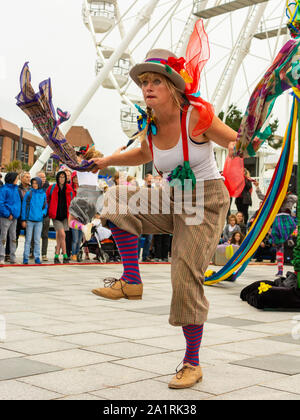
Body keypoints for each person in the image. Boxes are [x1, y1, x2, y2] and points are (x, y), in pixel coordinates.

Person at [89, 28, 237, 390]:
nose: (147, 88)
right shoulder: (150, 124)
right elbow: (143, 154)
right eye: (144, 82)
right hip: (174, 196)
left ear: (173, 86)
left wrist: (239, 153)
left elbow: (234, 139)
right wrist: (106, 159)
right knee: (113, 200)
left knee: (183, 272)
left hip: (205, 198)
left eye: (156, 81)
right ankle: (131, 281)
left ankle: (191, 362)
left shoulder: (196, 117)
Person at [46, 171, 74, 264]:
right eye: (60, 177)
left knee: (60, 236)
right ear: (57, 178)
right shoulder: (52, 187)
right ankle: (65, 255)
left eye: (63, 177)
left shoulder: (69, 188)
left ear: (66, 178)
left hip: (66, 216)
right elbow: (47, 199)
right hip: (56, 215)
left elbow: (73, 201)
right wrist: (49, 209)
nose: (62, 179)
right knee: (62, 234)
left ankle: (57, 255)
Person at [21, 177, 48, 264]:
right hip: (29, 220)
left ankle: (37, 257)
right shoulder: (29, 193)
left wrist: (42, 213)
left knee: (37, 240)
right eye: (33, 183)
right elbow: (24, 207)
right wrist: (23, 219)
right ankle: (25, 257)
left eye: (36, 183)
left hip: (39, 221)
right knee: (28, 240)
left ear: (39, 184)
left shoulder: (43, 194)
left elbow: (45, 207)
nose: (34, 185)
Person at [0, 172, 21, 264]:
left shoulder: (16, 189)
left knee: (13, 237)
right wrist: (8, 214)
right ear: (12, 179)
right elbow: (1, 203)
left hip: (14, 218)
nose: (18, 180)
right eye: (17, 178)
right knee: (3, 237)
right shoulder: (4, 189)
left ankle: (13, 257)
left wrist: (17, 214)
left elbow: (18, 203)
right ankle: (1, 257)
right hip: (5, 217)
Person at [35, 171, 50, 261]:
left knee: (45, 235)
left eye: (44, 177)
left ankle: (44, 254)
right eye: (41, 177)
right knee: (34, 235)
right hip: (34, 216)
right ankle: (32, 252)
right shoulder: (34, 188)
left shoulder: (49, 188)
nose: (43, 179)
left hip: (45, 215)